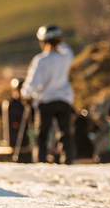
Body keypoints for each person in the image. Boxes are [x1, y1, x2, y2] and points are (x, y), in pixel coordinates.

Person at [20, 24, 75, 163]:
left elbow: (33, 82)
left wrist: (26, 94)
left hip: (46, 101)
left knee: (42, 135)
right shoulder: (66, 57)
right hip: (64, 100)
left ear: (43, 41)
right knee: (65, 133)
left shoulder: (41, 60)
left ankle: (41, 161)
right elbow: (66, 48)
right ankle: (67, 160)